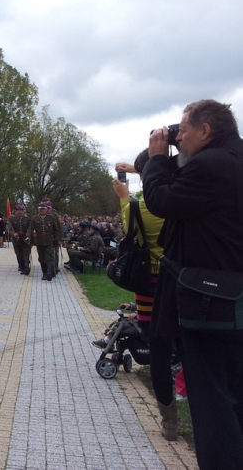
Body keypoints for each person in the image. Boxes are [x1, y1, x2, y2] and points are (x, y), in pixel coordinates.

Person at [145, 99, 243, 468]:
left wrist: (158, 158)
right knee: (234, 394)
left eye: (184, 130)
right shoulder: (232, 157)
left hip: (210, 302)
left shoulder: (210, 165)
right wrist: (171, 141)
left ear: (205, 131)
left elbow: (161, 199)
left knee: (212, 400)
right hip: (232, 296)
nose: (179, 137)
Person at [112, 150, 175, 441]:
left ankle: (169, 421)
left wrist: (124, 197)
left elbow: (128, 231)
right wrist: (140, 170)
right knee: (187, 343)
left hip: (149, 281)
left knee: (157, 346)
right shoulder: (180, 199)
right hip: (179, 278)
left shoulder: (138, 206)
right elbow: (165, 175)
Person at [28, 199, 59, 280]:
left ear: (46, 209)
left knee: (49, 257)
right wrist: (30, 238)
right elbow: (30, 229)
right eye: (40, 209)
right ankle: (44, 272)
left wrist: (56, 239)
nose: (42, 210)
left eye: (43, 209)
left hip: (49, 240)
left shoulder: (51, 217)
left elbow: (56, 229)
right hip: (39, 241)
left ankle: (49, 272)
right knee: (41, 258)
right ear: (38, 210)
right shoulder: (35, 218)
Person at [7, 203, 32, 275]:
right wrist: (13, 234)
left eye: (21, 210)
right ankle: (21, 266)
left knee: (26, 253)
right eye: (18, 210)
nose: (19, 211)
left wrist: (28, 235)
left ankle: (26, 267)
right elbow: (9, 228)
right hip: (17, 239)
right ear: (15, 211)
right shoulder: (11, 219)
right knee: (19, 253)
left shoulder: (27, 218)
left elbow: (30, 227)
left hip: (25, 238)